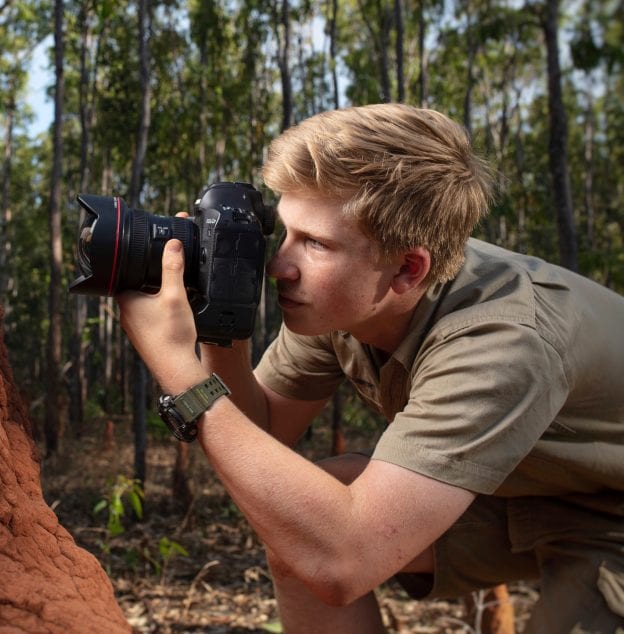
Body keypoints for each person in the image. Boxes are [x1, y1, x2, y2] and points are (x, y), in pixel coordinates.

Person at [116, 103, 624, 633]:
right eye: (285, 231)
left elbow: (342, 563)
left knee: (324, 542)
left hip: (614, 513)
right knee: (302, 529)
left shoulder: (501, 343)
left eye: (315, 243)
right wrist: (222, 325)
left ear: (408, 268)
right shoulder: (352, 294)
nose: (279, 265)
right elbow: (259, 430)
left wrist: (180, 369)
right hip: (530, 489)